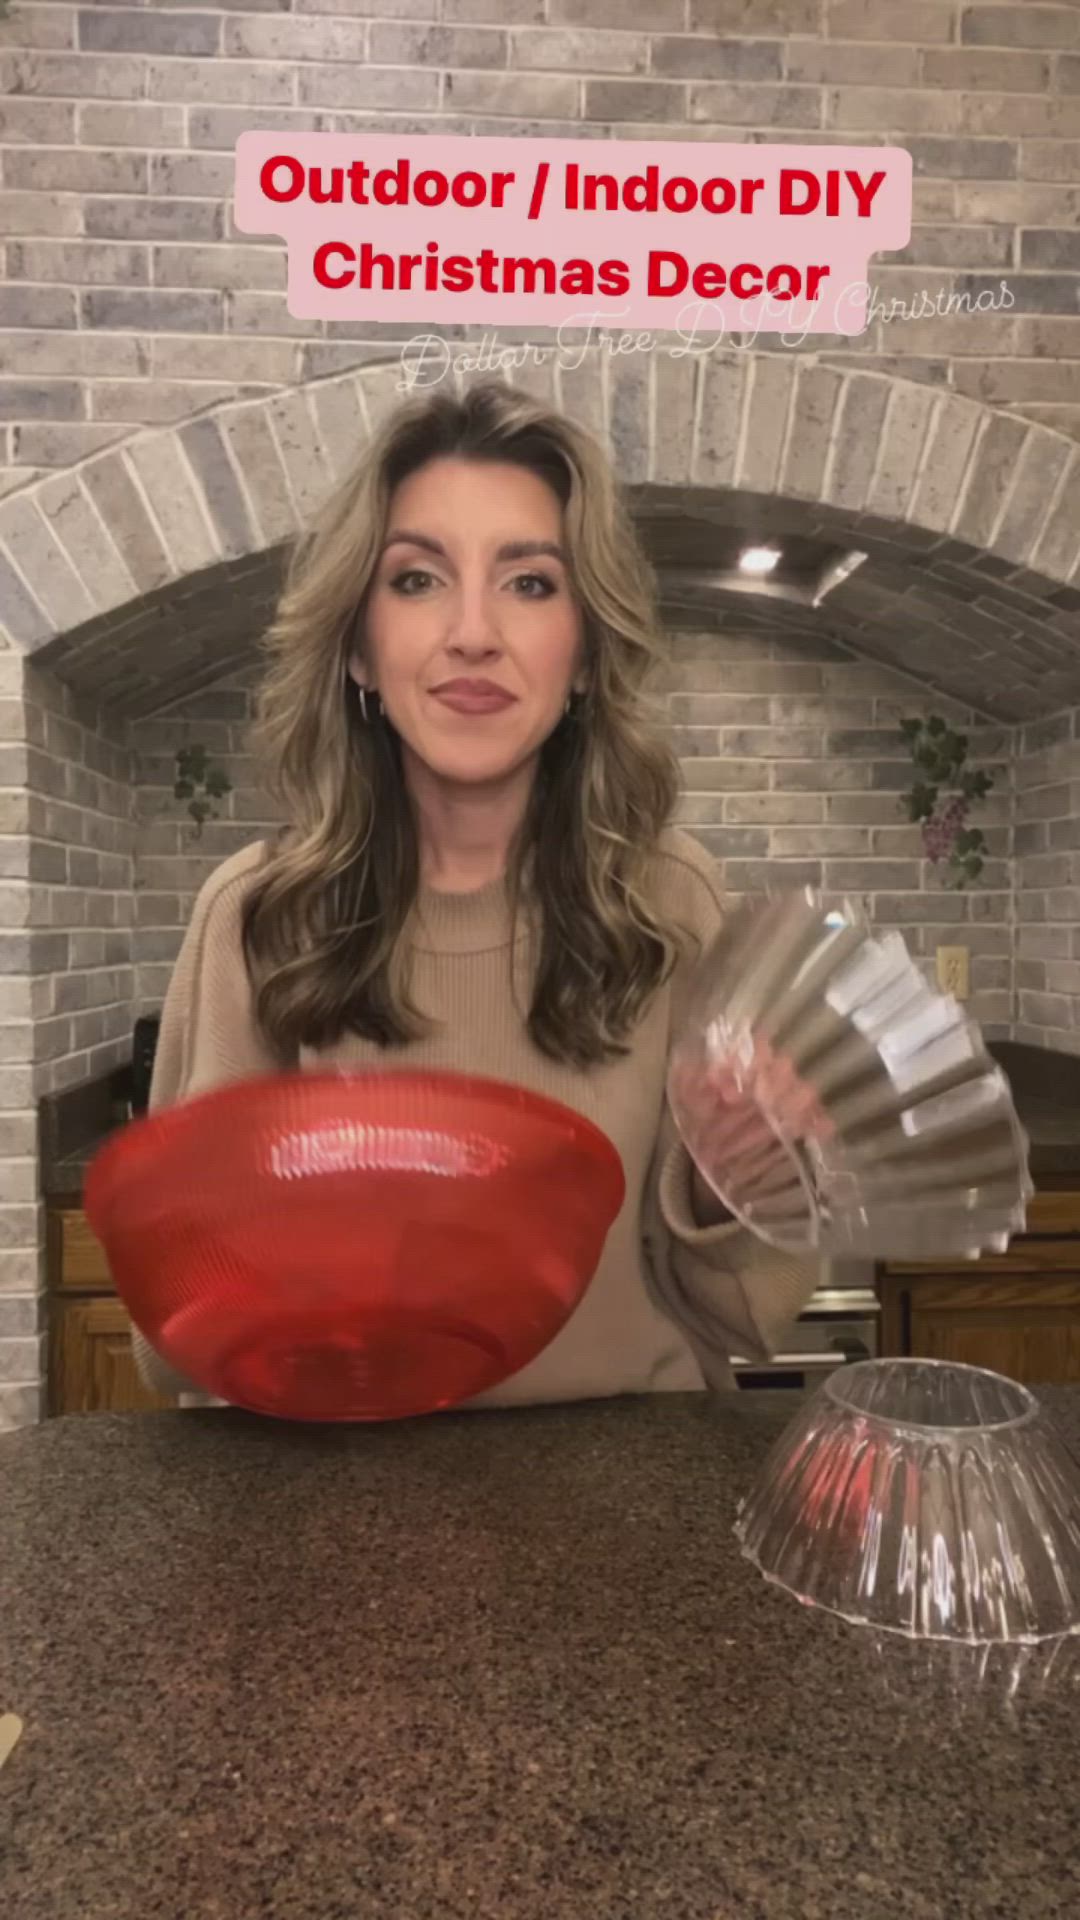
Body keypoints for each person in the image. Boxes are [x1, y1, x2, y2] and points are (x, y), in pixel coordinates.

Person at [134, 378, 821, 1407]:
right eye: (416, 580)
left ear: (585, 653)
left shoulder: (673, 900)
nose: (472, 633)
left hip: (631, 1498)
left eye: (530, 584)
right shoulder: (258, 916)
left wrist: (756, 1179)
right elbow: (173, 1350)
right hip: (352, 1507)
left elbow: (745, 1317)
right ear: (360, 648)